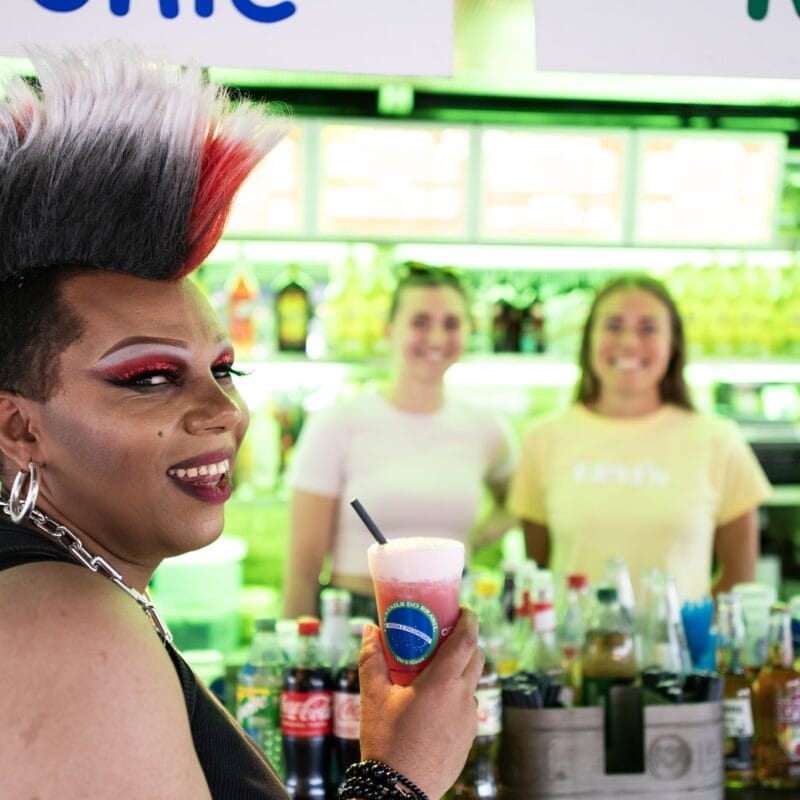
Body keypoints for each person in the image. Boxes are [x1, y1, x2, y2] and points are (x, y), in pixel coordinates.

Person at [0, 47, 484, 799]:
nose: (223, 411)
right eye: (149, 377)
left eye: (224, 370)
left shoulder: (75, 592)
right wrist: (400, 775)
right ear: (17, 428)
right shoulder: (69, 622)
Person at [508, 274, 772, 603]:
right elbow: (540, 568)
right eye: (613, 326)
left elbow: (738, 580)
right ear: (589, 339)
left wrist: (689, 642)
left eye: (648, 328)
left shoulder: (719, 441)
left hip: (681, 655)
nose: (629, 342)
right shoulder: (542, 439)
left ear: (673, 344)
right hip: (569, 654)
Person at [282, 264, 518, 619]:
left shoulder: (486, 428)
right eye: (420, 322)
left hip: (452, 618)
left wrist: (476, 538)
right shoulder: (337, 424)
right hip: (360, 619)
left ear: (469, 332)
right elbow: (302, 570)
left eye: (451, 324)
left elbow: (519, 501)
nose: (437, 338)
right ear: (389, 330)